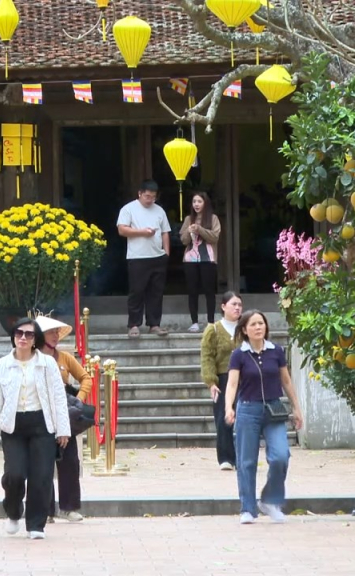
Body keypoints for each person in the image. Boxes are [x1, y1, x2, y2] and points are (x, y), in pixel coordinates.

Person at [0, 318, 72, 540]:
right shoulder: (2, 365)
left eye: (29, 334)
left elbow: (59, 397)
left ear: (35, 339)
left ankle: (36, 524)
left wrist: (63, 429)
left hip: (42, 424)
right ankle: (13, 511)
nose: (23, 338)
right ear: (13, 336)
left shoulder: (47, 363)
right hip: (13, 427)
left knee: (41, 476)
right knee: (15, 474)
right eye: (19, 333)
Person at [224, 310, 303, 524]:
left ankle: (270, 500)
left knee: (281, 456)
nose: (258, 327)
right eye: (253, 324)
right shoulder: (239, 355)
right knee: (246, 461)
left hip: (273, 408)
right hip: (248, 409)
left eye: (261, 323)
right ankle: (247, 509)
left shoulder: (276, 351)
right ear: (244, 330)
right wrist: (229, 407)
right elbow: (232, 384)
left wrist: (296, 408)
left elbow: (286, 381)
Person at [35, 315, 93, 523]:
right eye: (51, 332)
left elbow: (86, 378)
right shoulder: (31, 359)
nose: (55, 336)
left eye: (57, 333)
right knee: (42, 464)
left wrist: (78, 400)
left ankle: (69, 508)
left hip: (64, 415)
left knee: (70, 461)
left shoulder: (65, 358)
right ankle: (45, 510)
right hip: (40, 416)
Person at [117, 179, 171, 338]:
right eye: (147, 196)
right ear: (139, 193)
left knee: (156, 293)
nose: (150, 200)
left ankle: (154, 324)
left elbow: (165, 232)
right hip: (137, 257)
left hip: (158, 256)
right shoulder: (128, 209)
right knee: (137, 291)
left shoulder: (159, 210)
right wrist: (142, 232)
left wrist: (166, 252)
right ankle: (134, 324)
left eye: (153, 197)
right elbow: (122, 230)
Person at [200, 291, 242, 471]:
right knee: (223, 418)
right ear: (223, 307)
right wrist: (211, 382)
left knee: (245, 418)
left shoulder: (246, 327)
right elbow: (207, 357)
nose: (237, 308)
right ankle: (225, 457)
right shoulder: (214, 329)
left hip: (244, 378)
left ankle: (243, 457)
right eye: (234, 304)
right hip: (223, 378)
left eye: (240, 305)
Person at [180, 191, 221, 333]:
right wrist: (189, 231)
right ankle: (194, 322)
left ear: (205, 203)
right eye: (194, 202)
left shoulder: (213, 218)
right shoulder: (188, 219)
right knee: (192, 291)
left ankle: (210, 322)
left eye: (199, 201)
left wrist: (200, 230)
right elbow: (183, 240)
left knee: (209, 290)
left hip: (208, 258)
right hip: (190, 259)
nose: (196, 204)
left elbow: (214, 237)